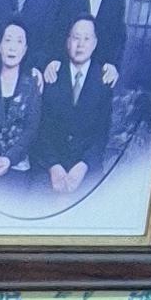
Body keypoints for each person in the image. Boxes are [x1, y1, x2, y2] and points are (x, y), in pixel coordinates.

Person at [38, 13, 114, 203]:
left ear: (95, 43)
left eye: (87, 39)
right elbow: (41, 128)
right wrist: (54, 166)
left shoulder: (104, 79)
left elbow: (102, 134)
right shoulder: (52, 74)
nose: (80, 44)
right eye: (76, 38)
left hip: (87, 169)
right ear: (67, 41)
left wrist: (83, 166)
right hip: (49, 167)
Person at [0, 20, 45, 177]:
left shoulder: (32, 87)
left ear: (25, 50)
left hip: (16, 168)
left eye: (19, 41)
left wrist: (9, 160)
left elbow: (31, 131)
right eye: (8, 40)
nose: (12, 47)